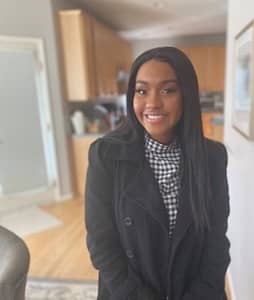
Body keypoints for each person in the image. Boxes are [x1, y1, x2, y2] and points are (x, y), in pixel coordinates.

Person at [85, 46, 230, 300]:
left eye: (167, 90)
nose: (152, 103)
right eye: (141, 91)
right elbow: (101, 244)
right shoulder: (106, 156)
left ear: (186, 95)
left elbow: (217, 242)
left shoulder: (213, 159)